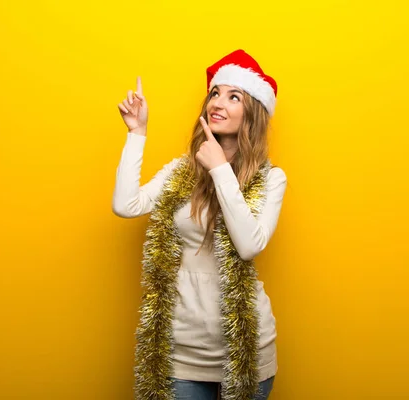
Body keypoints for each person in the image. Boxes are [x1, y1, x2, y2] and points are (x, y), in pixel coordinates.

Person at [112, 49, 287, 400]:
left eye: (233, 96)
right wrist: (137, 133)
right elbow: (125, 205)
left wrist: (221, 169)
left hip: (245, 347)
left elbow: (250, 244)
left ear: (252, 112)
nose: (217, 103)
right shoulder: (182, 170)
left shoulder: (272, 179)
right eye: (215, 93)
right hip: (182, 346)